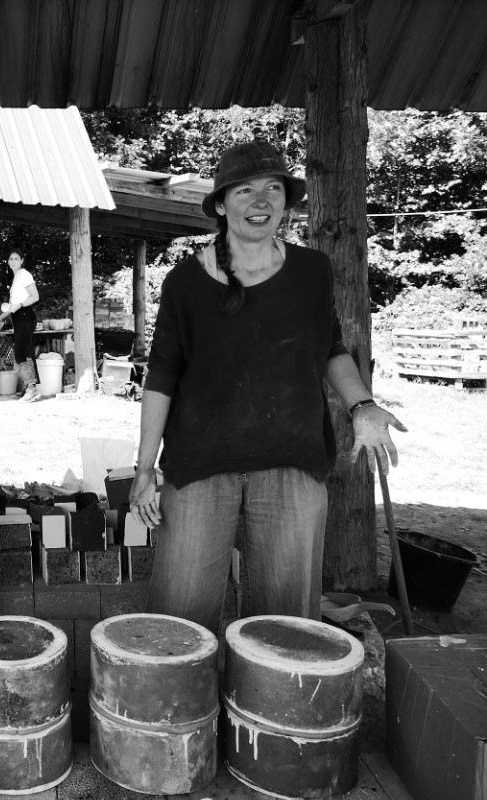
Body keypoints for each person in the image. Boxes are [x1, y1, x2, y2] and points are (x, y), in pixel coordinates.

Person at [128, 140, 406, 632]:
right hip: (199, 466)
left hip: (292, 460)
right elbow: (162, 375)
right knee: (181, 619)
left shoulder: (312, 271)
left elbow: (331, 348)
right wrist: (145, 467)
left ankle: (267, 710)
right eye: (244, 191)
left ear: (285, 202)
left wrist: (361, 404)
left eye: (273, 189)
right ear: (220, 204)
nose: (260, 201)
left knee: (285, 625)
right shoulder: (185, 284)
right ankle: (181, 708)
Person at [0, 248, 41, 401]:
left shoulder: (24, 275)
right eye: (11, 259)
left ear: (22, 261)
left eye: (16, 258)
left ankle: (31, 388)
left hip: (25, 315)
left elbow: (35, 297)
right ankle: (29, 387)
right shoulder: (16, 277)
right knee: (20, 352)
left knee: (23, 352)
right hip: (19, 316)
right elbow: (12, 306)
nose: (13, 261)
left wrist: (20, 305)